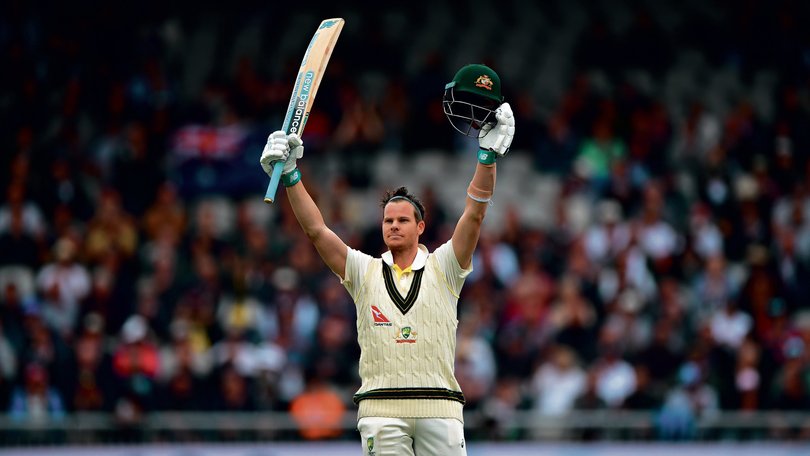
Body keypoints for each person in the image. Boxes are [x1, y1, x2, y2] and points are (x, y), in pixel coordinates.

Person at [260, 63, 514, 455]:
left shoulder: (446, 266)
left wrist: (486, 157)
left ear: (421, 227)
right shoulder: (364, 271)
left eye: (402, 220)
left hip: (440, 410)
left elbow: (475, 213)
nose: (393, 226)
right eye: (387, 220)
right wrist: (292, 175)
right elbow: (317, 231)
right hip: (381, 409)